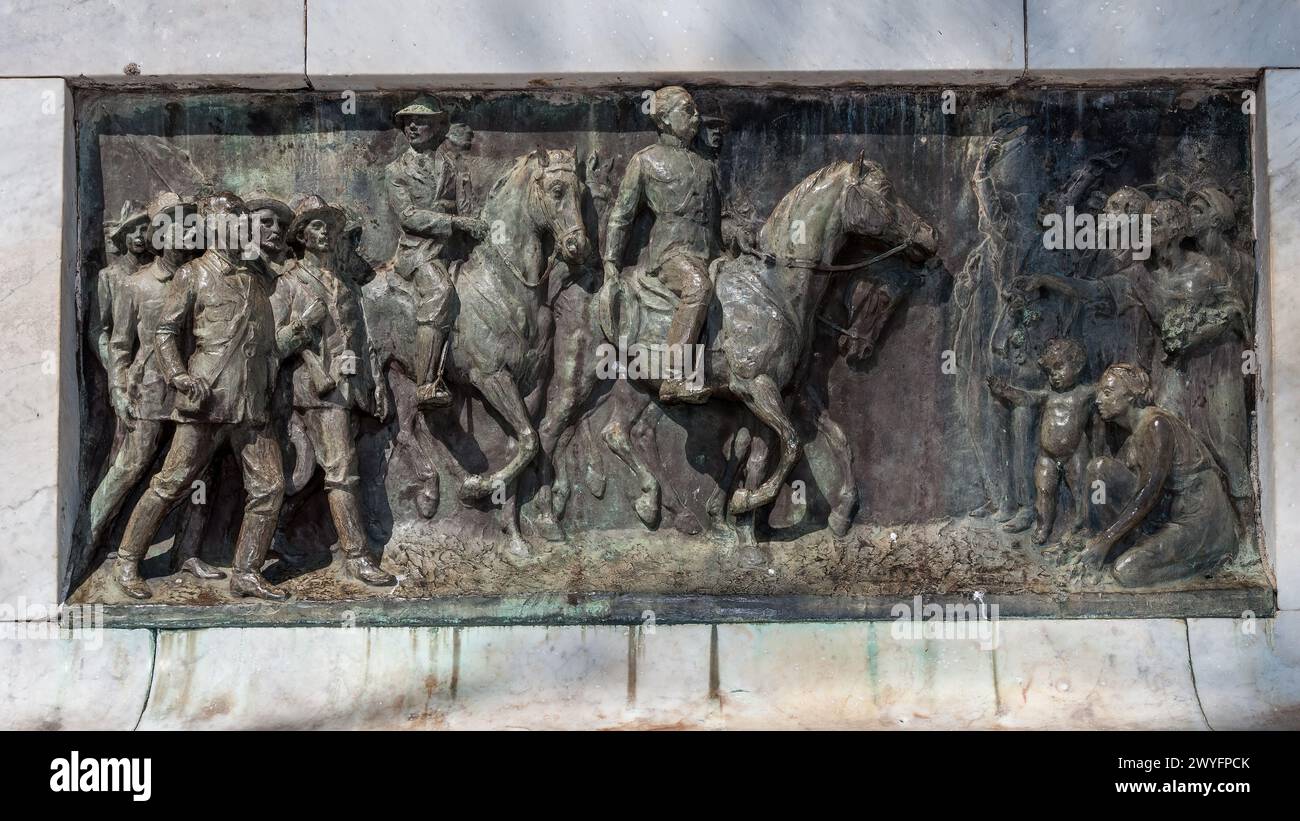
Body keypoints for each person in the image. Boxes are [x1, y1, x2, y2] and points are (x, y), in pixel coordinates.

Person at [111, 193, 306, 601]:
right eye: (230, 223)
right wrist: (179, 375)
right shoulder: (193, 275)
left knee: (269, 486)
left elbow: (267, 344)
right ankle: (128, 560)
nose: (240, 231)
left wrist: (297, 334)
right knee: (173, 481)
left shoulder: (254, 278)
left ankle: (246, 572)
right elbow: (165, 332)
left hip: (250, 404)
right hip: (206, 399)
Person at [273, 194, 395, 586]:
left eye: (329, 225)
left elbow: (363, 338)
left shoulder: (344, 282)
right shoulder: (288, 282)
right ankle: (356, 556)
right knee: (342, 470)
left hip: (350, 389)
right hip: (317, 390)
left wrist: (373, 382)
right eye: (316, 226)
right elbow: (274, 343)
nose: (325, 232)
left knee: (315, 471)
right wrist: (303, 327)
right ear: (302, 236)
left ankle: (273, 530)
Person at [603, 86, 722, 404]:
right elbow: (621, 216)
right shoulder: (645, 161)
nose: (696, 117)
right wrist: (611, 264)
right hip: (671, 255)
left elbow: (714, 222)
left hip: (709, 252)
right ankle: (672, 377)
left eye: (695, 111)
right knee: (697, 286)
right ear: (665, 119)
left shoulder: (706, 165)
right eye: (688, 110)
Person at [1074, 363, 1236, 587]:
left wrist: (1108, 538)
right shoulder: (1134, 436)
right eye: (1100, 392)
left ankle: (1211, 559)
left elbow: (1147, 493)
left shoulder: (1157, 425)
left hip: (1197, 521)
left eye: (1108, 393)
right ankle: (1097, 545)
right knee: (1098, 469)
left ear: (1131, 396)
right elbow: (1127, 491)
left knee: (1126, 571)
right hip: (1165, 514)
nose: (1099, 400)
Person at [385, 96, 488, 409]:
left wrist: (473, 218)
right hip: (420, 253)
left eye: (422, 121)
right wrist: (454, 220)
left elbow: (468, 209)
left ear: (438, 126)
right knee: (440, 292)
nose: (413, 126)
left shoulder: (451, 165)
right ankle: (427, 383)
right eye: (408, 122)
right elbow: (408, 216)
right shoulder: (396, 170)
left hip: (456, 253)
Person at [987, 338, 1098, 545]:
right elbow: (1027, 398)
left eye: (1059, 367)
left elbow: (1106, 392)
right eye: (1049, 371)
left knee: (1081, 490)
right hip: (1047, 455)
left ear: (1077, 365)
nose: (1054, 375)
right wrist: (1005, 391)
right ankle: (1043, 526)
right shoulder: (1048, 394)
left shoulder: (1085, 394)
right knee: (1044, 492)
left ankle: (1083, 524)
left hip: (1075, 453)